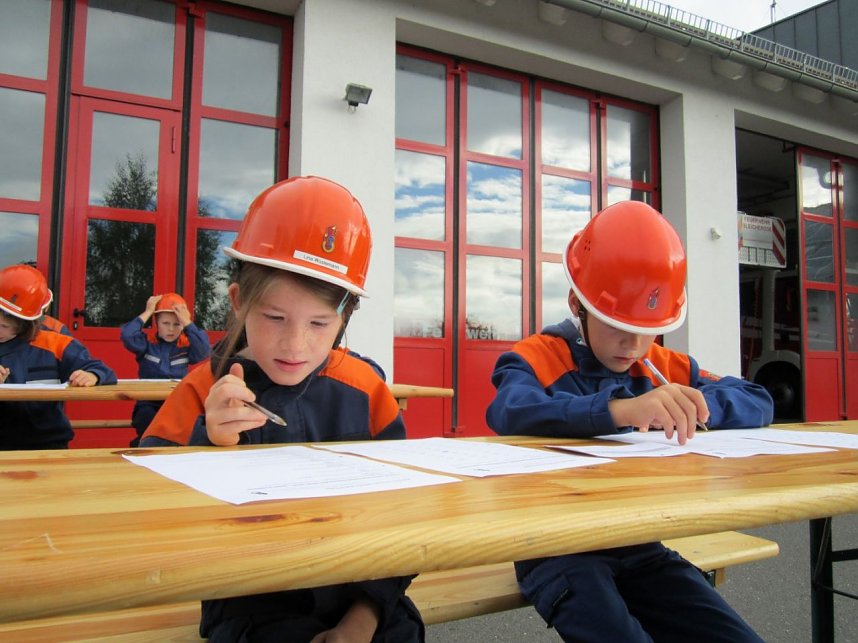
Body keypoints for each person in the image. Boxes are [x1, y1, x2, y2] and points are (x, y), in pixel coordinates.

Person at [140, 176, 424, 643]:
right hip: (248, 603)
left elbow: (402, 517)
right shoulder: (202, 391)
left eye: (319, 323)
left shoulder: (366, 391)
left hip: (366, 595)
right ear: (239, 303)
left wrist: (366, 614)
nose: (296, 344)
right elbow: (144, 509)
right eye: (274, 318)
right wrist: (205, 442)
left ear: (346, 317)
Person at [486, 201, 773, 643]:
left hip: (639, 543)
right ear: (576, 305)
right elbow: (510, 410)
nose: (633, 344)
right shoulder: (535, 358)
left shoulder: (659, 365)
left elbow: (756, 398)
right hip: (555, 548)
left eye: (649, 328)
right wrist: (619, 410)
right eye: (617, 323)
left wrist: (696, 407)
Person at [0, 264, 117, 450]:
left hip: (47, 443)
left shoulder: (56, 344)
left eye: (4, 327)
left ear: (27, 324)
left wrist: (92, 375)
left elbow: (102, 369)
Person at [120, 292, 210, 447]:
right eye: (165, 323)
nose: (171, 329)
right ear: (156, 323)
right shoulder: (147, 344)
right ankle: (142, 451)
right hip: (148, 403)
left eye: (176, 324)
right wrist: (148, 312)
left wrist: (188, 323)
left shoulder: (186, 347)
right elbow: (128, 336)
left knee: (188, 427)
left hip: (175, 401)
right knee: (145, 419)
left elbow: (204, 350)